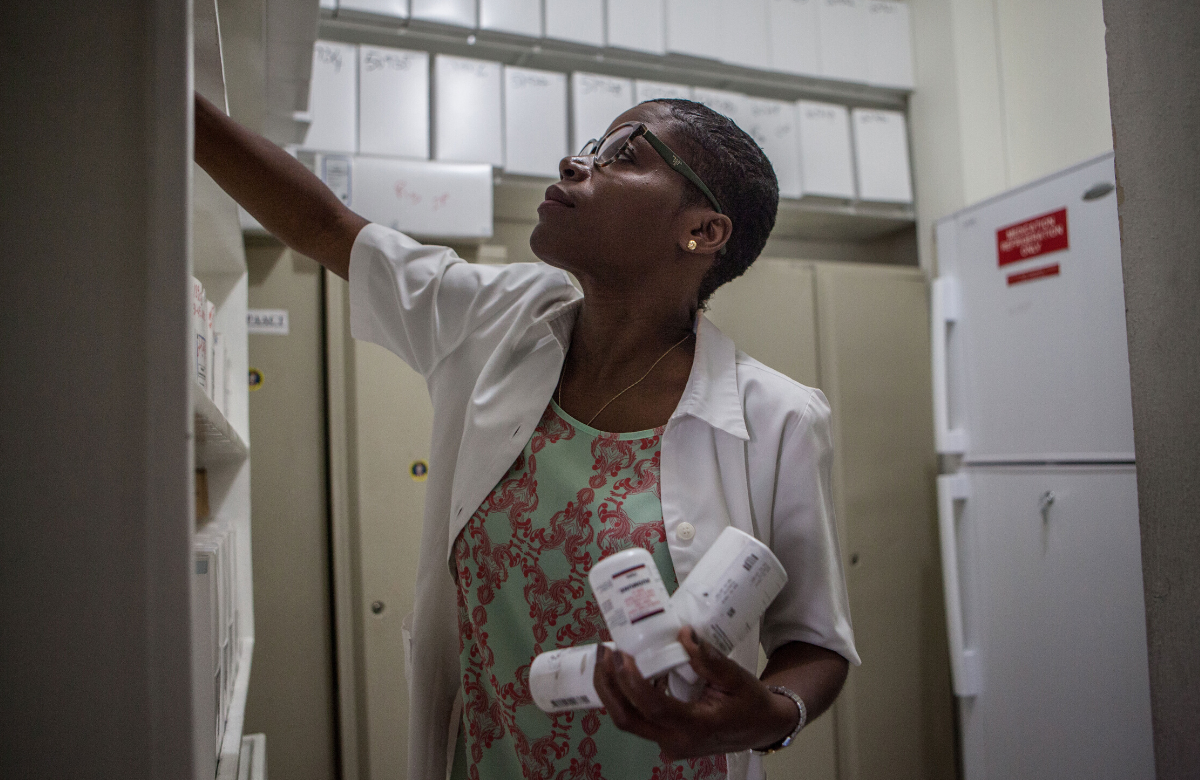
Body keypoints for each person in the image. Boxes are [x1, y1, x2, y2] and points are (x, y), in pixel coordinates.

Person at [195, 92, 859, 780]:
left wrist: (772, 716)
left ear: (702, 230)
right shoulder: (497, 321)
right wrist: (167, 98)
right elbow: (327, 226)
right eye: (593, 147)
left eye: (623, 155)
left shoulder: (778, 419)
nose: (575, 163)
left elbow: (816, 642)